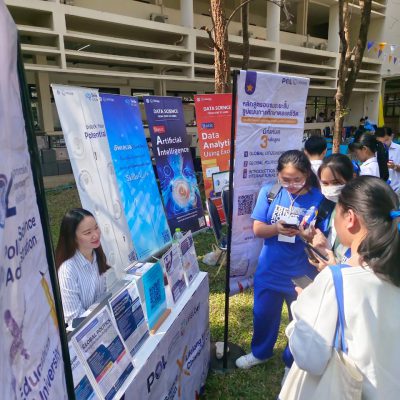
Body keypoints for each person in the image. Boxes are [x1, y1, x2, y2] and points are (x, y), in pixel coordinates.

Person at [282, 176, 400, 399]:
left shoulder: (335, 281)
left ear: (350, 218)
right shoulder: (391, 271)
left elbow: (309, 358)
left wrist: (302, 308)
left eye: (337, 210)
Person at [236, 150, 328, 370]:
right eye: (286, 179)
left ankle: (292, 361)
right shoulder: (270, 192)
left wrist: (307, 236)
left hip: (302, 271)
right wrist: (276, 228)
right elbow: (258, 229)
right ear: (278, 175)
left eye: (297, 179)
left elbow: (323, 240)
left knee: (300, 319)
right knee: (263, 314)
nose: (292, 185)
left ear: (307, 174)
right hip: (270, 268)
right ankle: (260, 352)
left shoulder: (319, 199)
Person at [56, 208, 109, 325]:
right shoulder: (67, 270)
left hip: (102, 324)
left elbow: (103, 297)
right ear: (73, 237)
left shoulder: (96, 254)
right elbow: (74, 319)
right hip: (83, 331)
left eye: (96, 227)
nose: (96, 235)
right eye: (88, 233)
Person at [310, 154, 354, 269]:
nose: (330, 188)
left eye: (336, 183)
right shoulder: (327, 206)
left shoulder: (362, 213)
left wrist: (333, 269)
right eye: (325, 183)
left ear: (352, 178)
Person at [376, 126, 400, 197]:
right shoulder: (376, 150)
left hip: (396, 188)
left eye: (386, 140)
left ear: (392, 136)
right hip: (380, 189)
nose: (384, 144)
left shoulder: (398, 149)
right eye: (381, 142)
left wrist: (394, 166)